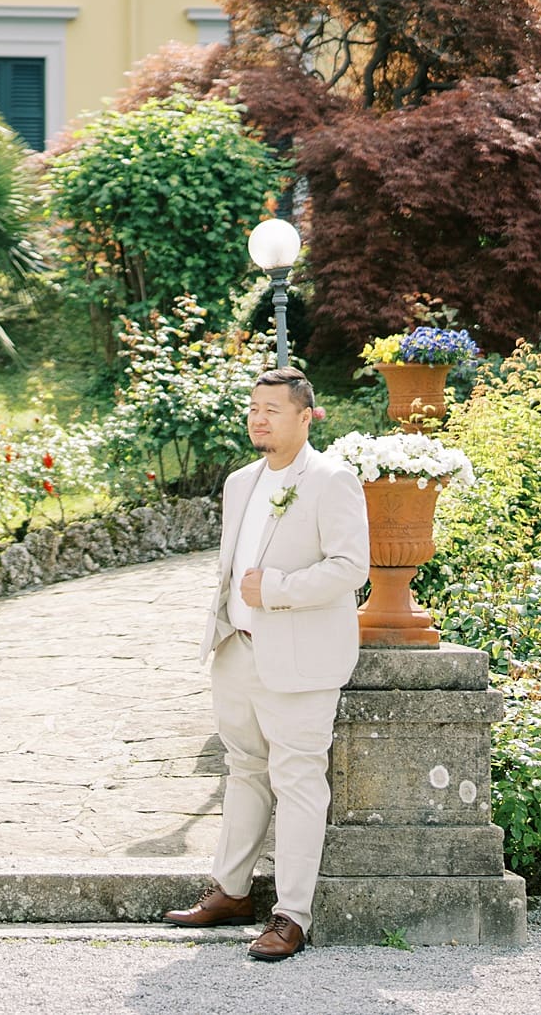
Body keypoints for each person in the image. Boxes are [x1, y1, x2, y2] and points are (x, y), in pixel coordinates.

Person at [165, 367, 370, 960]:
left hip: (301, 659)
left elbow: (350, 567)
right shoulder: (240, 482)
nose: (259, 418)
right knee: (244, 771)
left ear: (306, 417)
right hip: (237, 651)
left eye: (273, 409)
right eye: (254, 407)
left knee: (299, 781)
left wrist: (275, 587)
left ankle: (292, 915)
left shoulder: (332, 479)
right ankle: (231, 891)